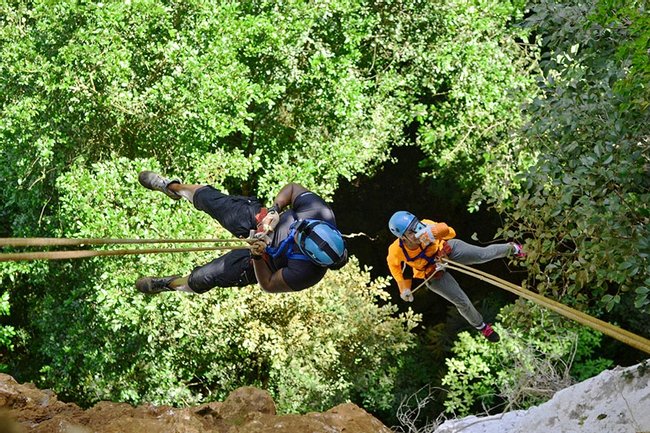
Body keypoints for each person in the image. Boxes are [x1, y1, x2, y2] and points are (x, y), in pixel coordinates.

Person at [135, 171, 348, 294]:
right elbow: (292, 188)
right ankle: (172, 187)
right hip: (259, 220)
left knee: (203, 277)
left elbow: (268, 284)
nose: (296, 228)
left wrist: (257, 255)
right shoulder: (320, 213)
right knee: (211, 200)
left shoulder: (306, 274)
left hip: (260, 262)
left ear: (308, 254)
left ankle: (168, 285)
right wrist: (274, 210)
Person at [386, 211, 525, 342]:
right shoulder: (396, 250)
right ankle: (481, 326)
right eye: (410, 232)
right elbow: (395, 267)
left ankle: (514, 248)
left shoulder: (426, 226)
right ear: (402, 237)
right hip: (431, 271)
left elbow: (451, 233)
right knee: (461, 301)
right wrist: (403, 289)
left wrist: (439, 230)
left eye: (416, 225)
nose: (416, 232)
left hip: (447, 250)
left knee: (482, 255)